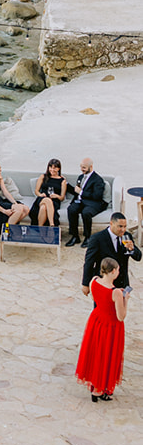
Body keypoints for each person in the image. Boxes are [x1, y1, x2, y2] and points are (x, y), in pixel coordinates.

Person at [75, 256, 128, 401]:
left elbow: (95, 299)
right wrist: (125, 299)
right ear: (112, 272)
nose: (118, 272)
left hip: (96, 320)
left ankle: (95, 386)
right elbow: (121, 316)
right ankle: (101, 389)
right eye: (117, 270)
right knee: (107, 356)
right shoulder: (116, 292)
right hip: (110, 326)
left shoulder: (93, 281)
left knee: (95, 354)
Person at [82, 212, 140, 292]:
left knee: (122, 304)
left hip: (122, 285)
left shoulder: (126, 236)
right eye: (120, 226)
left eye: (125, 226)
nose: (123, 230)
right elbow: (89, 262)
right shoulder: (97, 238)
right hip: (104, 285)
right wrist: (85, 284)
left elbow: (138, 257)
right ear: (111, 223)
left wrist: (132, 249)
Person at [66, 160, 108, 246]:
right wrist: (66, 185)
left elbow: (97, 196)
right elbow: (76, 192)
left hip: (94, 203)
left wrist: (81, 192)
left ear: (91, 167)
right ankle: (75, 236)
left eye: (84, 167)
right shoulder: (81, 177)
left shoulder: (98, 180)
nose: (82, 169)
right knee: (71, 209)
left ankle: (87, 237)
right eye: (81, 167)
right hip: (81, 201)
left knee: (86, 213)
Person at [29, 159, 68, 227]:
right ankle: (52, 224)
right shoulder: (43, 176)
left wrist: (56, 196)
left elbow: (62, 198)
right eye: (51, 167)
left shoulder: (62, 181)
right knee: (47, 200)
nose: (52, 170)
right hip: (42, 198)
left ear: (59, 168)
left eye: (55, 168)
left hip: (54, 201)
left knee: (43, 208)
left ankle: (40, 228)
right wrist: (40, 194)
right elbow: (36, 191)